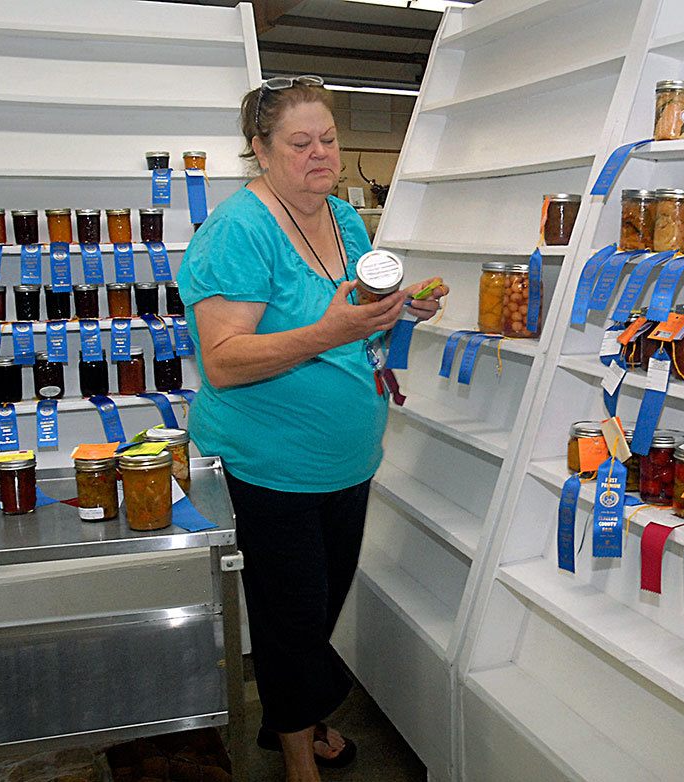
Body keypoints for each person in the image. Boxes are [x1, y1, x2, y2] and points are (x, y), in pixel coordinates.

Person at [177, 74, 447, 782]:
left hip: (346, 459)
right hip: (266, 464)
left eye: (328, 139)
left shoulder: (342, 216)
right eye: (300, 143)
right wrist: (327, 331)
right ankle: (299, 756)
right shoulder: (236, 232)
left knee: (318, 607)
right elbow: (226, 362)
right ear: (260, 152)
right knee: (291, 618)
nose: (320, 154)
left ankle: (299, 718)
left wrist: (401, 309)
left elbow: (359, 304)